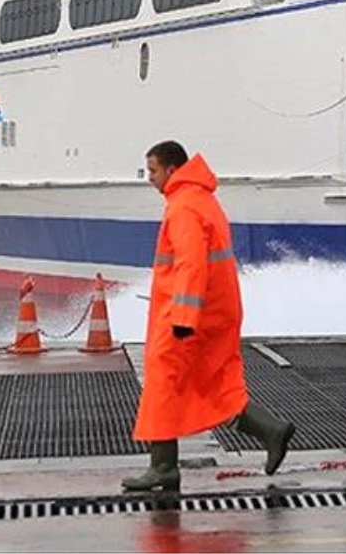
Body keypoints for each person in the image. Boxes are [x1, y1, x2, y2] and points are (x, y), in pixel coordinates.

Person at [122, 140, 295, 491]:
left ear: (172, 169)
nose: (149, 178)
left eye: (153, 170)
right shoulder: (203, 199)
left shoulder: (183, 207)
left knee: (163, 379)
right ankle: (271, 430)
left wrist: (183, 319)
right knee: (212, 383)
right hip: (215, 310)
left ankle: (163, 468)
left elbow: (191, 264)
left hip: (188, 315)